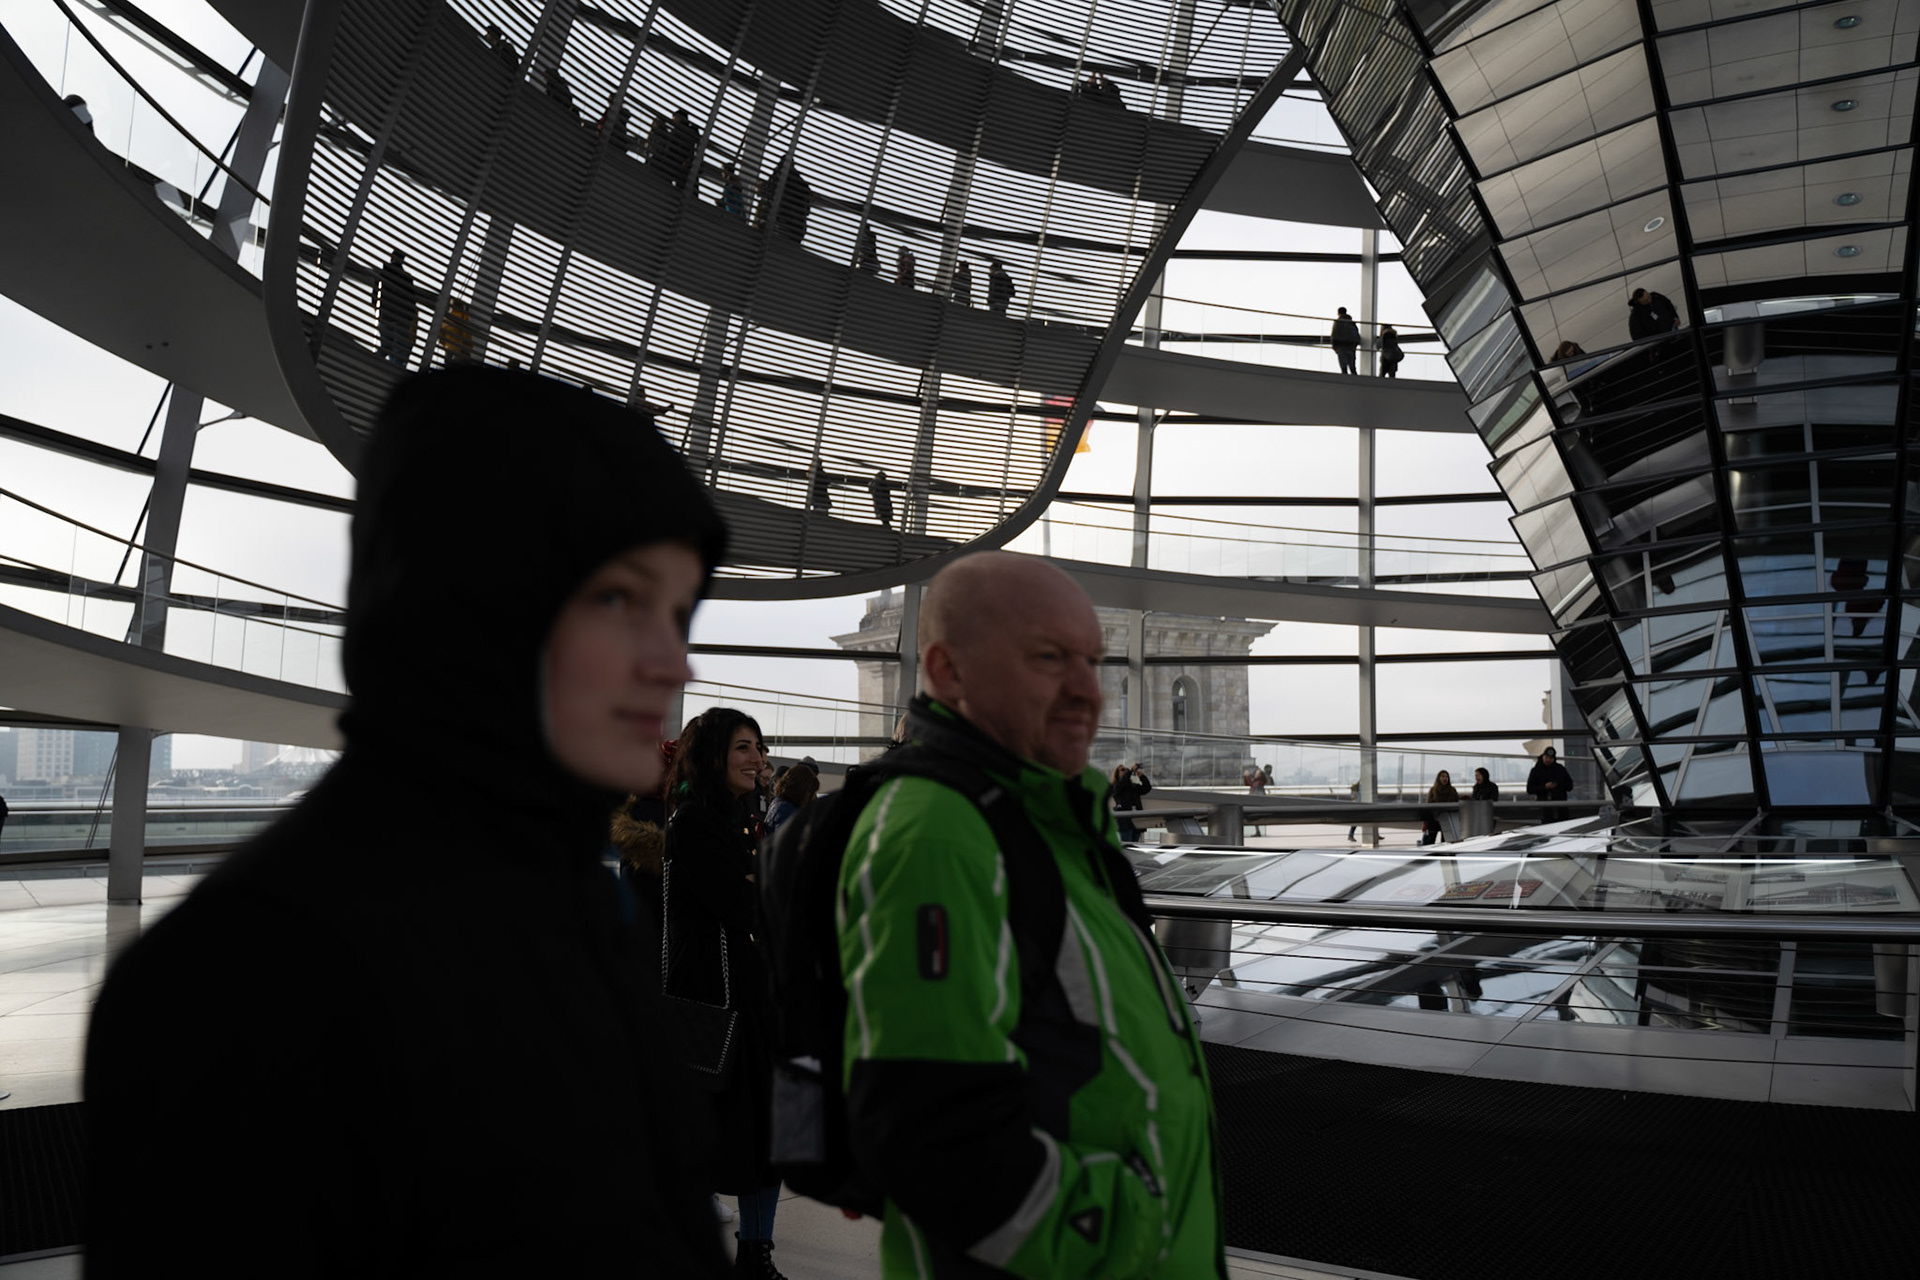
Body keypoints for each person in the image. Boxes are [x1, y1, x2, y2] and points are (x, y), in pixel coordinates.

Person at [83, 367, 731, 1274]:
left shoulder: (568, 902)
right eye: (620, 598)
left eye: (679, 611)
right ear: (478, 594)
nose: (674, 664)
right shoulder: (239, 983)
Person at [837, 552, 1221, 1277]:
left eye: (1093, 662)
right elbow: (930, 1134)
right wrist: (1129, 1223)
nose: (1087, 691)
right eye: (1048, 658)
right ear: (948, 671)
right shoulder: (938, 836)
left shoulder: (1048, 821)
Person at [662, 710, 785, 1277]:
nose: (757, 758)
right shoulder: (693, 821)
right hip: (715, 1006)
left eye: (758, 746)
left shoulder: (742, 819)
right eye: (743, 747)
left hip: (749, 1000)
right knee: (721, 1139)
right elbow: (743, 906)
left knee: (765, 1138)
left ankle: (756, 1255)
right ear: (712, 755)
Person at [370, 249, 420, 367]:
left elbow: (374, 295)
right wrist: (409, 316)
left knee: (386, 346)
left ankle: (372, 364)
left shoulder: (382, 274)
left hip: (385, 315)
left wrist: (378, 311)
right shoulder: (407, 278)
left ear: (391, 257)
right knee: (398, 349)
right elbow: (411, 299)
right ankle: (393, 371)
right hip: (402, 318)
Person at [764, 762, 819, 836]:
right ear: (802, 790)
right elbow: (786, 840)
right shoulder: (787, 810)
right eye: (809, 791)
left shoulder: (779, 802)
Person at [1110, 761, 1152, 842]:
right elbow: (1122, 783)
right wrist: (1130, 771)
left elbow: (1146, 788)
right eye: (1123, 770)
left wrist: (1142, 777)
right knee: (1127, 843)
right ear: (1117, 774)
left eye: (1126, 769)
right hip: (1125, 820)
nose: (1125, 771)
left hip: (1136, 819)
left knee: (1135, 843)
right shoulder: (1116, 787)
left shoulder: (1133, 787)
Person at [1421, 770, 1458, 846]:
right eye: (1443, 776)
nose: (1445, 778)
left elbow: (1456, 803)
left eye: (1446, 777)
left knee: (1446, 842)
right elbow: (1429, 805)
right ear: (1439, 778)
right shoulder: (1433, 790)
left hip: (1447, 819)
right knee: (1430, 840)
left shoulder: (1452, 790)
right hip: (1434, 819)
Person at [1330, 306, 1361, 375]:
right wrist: (1355, 344)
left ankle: (1345, 377)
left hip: (1341, 346)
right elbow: (1356, 334)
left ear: (1338, 313)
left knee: (1343, 367)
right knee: (1352, 367)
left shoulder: (1338, 322)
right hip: (1351, 346)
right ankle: (1355, 378)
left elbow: (1334, 334)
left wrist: (1334, 346)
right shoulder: (1351, 323)